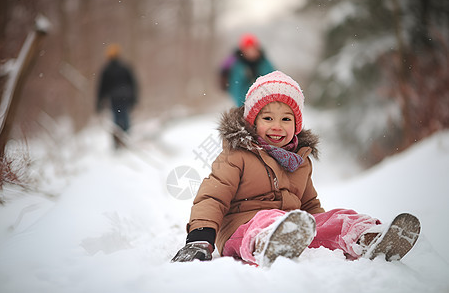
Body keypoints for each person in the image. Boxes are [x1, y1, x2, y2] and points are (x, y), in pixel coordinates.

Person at [171, 71, 420, 266]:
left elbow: (310, 205)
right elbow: (212, 196)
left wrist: (322, 224)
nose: (277, 126)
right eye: (268, 118)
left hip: (292, 224)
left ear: (297, 124)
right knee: (268, 220)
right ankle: (270, 241)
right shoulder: (237, 155)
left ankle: (367, 237)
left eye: (286, 119)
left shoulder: (300, 161)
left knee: (337, 216)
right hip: (242, 229)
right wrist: (200, 239)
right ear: (252, 121)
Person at [97, 43, 138, 148]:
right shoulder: (125, 67)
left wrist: (99, 102)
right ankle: (126, 139)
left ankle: (118, 141)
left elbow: (102, 88)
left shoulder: (106, 70)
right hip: (125, 98)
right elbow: (133, 84)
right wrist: (134, 98)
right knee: (125, 118)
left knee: (117, 119)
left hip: (115, 99)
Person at [221, 34, 275, 107]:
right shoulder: (238, 66)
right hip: (244, 103)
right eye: (248, 49)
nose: (251, 52)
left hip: (265, 101)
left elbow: (272, 79)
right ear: (243, 50)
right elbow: (237, 87)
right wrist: (242, 105)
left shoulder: (264, 63)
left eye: (252, 49)